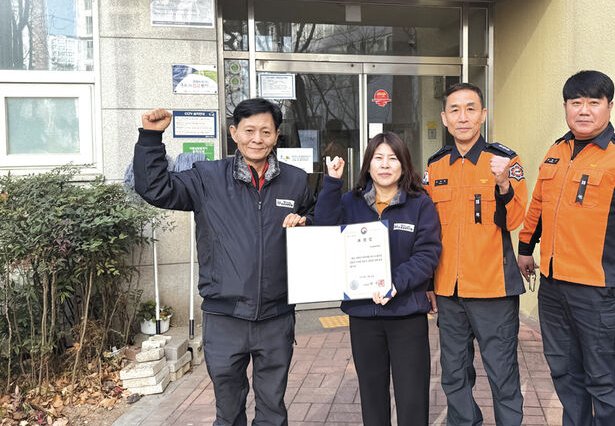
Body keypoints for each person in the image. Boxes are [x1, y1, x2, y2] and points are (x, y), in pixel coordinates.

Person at [133, 98, 315, 426]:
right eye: (249, 130)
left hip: (276, 317)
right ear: (234, 133)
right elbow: (156, 189)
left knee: (273, 409)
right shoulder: (207, 178)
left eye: (265, 131)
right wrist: (150, 138)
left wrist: (306, 223)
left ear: (276, 136)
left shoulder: (296, 180)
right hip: (224, 316)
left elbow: (317, 220)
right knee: (228, 412)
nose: (257, 139)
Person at [517, 70, 615, 426]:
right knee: (564, 373)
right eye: (576, 102)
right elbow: (538, 203)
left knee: (602, 379)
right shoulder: (557, 150)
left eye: (593, 102)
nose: (583, 110)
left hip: (598, 290)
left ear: (609, 106)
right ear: (566, 107)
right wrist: (525, 247)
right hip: (554, 287)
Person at [314, 132, 442, 426]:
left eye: (392, 158)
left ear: (404, 164)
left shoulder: (420, 204)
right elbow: (324, 231)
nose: (385, 165)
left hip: (406, 314)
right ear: (368, 165)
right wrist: (332, 183)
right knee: (372, 396)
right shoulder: (350, 202)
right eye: (378, 158)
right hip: (363, 315)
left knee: (412, 397)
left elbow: (427, 254)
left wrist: (395, 282)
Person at [424, 82, 528, 426]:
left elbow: (514, 219)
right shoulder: (436, 166)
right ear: (444, 118)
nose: (463, 117)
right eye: (455, 110)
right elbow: (429, 231)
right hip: (449, 291)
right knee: (453, 373)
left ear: (483, 115)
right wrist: (429, 283)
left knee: (502, 373)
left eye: (471, 109)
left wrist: (503, 184)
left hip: (493, 290)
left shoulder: (505, 161)